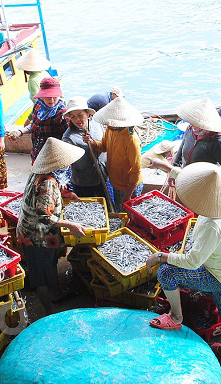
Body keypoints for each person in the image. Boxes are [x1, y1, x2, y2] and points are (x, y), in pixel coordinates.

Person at [146, 162, 221, 362]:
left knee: (166, 272)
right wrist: (164, 166)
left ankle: (176, 317)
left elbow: (192, 262)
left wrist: (160, 256)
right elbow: (186, 178)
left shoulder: (213, 225)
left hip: (215, 275)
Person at [16, 138, 86, 316]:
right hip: (36, 236)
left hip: (42, 233)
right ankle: (48, 313)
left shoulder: (41, 172)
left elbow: (46, 196)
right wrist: (71, 225)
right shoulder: (47, 182)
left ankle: (56, 294)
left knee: (51, 263)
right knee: (41, 277)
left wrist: (67, 194)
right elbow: (44, 216)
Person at [84, 97, 143, 211]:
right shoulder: (110, 130)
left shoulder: (131, 140)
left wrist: (128, 195)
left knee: (129, 213)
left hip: (129, 185)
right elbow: (104, 147)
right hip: (116, 182)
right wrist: (92, 142)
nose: (108, 124)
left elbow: (136, 170)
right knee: (119, 210)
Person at [7, 77, 68, 162]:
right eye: (47, 96)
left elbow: (68, 137)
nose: (51, 99)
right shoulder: (38, 105)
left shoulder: (62, 113)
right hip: (38, 153)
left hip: (55, 157)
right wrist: (20, 132)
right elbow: (35, 125)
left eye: (54, 96)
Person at [173, 98, 221, 174]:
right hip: (186, 175)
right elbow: (182, 147)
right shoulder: (190, 129)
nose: (192, 125)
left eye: (195, 123)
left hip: (205, 181)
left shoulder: (218, 142)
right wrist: (174, 168)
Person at [62, 96, 107, 197]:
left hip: (104, 176)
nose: (77, 119)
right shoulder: (68, 137)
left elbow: (105, 144)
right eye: (72, 116)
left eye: (80, 115)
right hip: (84, 182)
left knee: (107, 206)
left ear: (87, 113)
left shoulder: (97, 123)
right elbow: (65, 163)